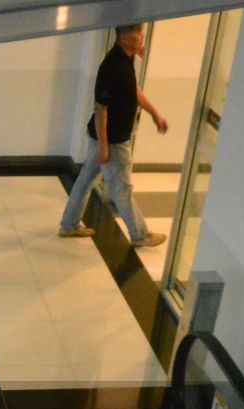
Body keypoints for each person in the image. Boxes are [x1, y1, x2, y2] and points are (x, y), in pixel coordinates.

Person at [59, 23, 168, 248]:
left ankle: (69, 225)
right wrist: (104, 146)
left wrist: (154, 112)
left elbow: (133, 89)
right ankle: (140, 235)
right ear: (125, 38)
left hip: (107, 138)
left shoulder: (126, 59)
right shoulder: (113, 67)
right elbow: (101, 108)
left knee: (85, 181)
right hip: (113, 141)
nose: (143, 40)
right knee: (122, 190)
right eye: (140, 37)